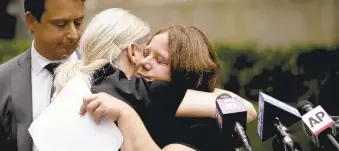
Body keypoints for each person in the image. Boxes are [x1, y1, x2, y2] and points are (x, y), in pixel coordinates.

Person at [52, 8, 257, 150]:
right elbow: (246, 108)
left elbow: (243, 108)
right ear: (132, 50)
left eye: (160, 60)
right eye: (146, 52)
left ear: (184, 72)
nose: (144, 62)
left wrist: (126, 114)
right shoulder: (134, 92)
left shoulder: (202, 126)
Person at [0, 0, 85, 151]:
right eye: (61, 24)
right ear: (31, 21)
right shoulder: (4, 79)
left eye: (78, 23)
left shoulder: (105, 75)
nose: (73, 34)